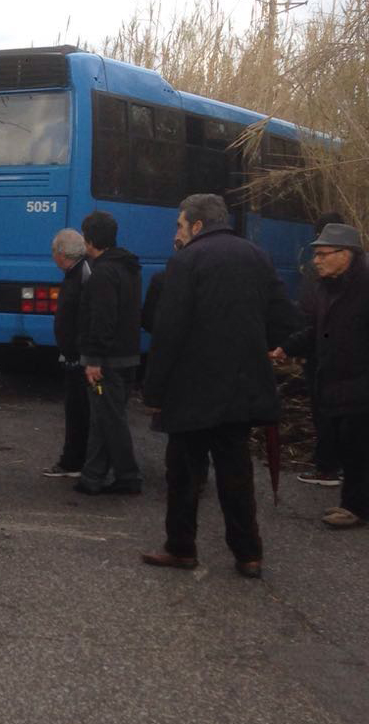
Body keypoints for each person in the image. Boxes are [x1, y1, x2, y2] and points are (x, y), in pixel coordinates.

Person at [143, 194, 299, 577]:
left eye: (180, 225)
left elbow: (170, 331)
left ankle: (181, 548)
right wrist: (272, 346)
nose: (176, 233)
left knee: (183, 475)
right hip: (242, 390)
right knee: (236, 474)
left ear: (197, 226)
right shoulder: (256, 255)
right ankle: (248, 554)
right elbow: (283, 316)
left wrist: (154, 391)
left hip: (192, 391)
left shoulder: (186, 260)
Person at [274, 223, 369, 530]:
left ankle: (357, 508)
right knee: (349, 447)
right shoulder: (328, 287)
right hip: (336, 381)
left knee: (358, 448)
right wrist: (287, 348)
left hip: (360, 382)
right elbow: (317, 330)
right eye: (315, 254)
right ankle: (354, 503)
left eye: (323, 254)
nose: (316, 260)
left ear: (347, 254)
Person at [75, 210, 143, 496]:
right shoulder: (128, 268)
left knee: (109, 419)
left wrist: (93, 359)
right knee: (104, 416)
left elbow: (102, 319)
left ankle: (128, 476)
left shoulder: (102, 273)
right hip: (128, 355)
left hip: (107, 362)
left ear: (89, 240)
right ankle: (92, 477)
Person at [294, 212, 346, 486]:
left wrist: (295, 345)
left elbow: (307, 311)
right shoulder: (357, 266)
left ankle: (327, 468)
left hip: (321, 352)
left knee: (323, 408)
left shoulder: (318, 269)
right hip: (347, 356)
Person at [43, 228, 90, 478]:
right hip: (75, 357)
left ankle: (76, 462)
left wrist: (80, 352)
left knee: (80, 412)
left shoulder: (83, 274)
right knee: (76, 411)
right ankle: (74, 460)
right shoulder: (76, 273)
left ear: (61, 254)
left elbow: (89, 316)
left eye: (53, 251)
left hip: (81, 359)